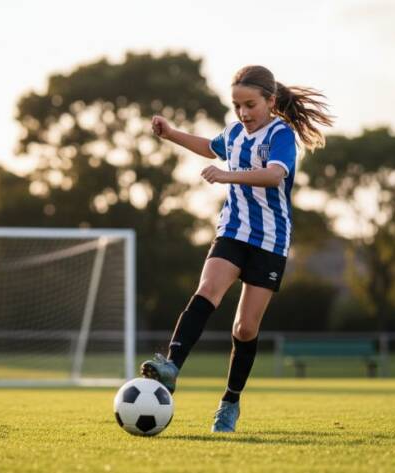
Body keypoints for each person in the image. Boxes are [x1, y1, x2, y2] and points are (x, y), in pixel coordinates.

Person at [140, 65, 333, 433]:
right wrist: (171, 134)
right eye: (237, 105)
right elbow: (211, 147)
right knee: (207, 291)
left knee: (245, 328)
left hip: (271, 241)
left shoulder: (281, 134)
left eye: (250, 105)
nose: (243, 113)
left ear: (270, 101)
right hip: (232, 231)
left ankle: (229, 401)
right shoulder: (233, 134)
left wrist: (227, 175)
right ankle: (171, 365)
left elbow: (275, 174)